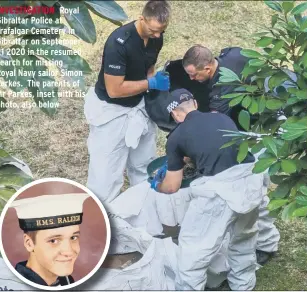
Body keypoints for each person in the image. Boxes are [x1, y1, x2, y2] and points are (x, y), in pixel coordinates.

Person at [151, 88, 264, 290]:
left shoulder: (177, 137)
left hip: (220, 192)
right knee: (243, 238)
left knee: (194, 249)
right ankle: (243, 285)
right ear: (194, 104)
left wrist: (157, 184)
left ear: (176, 114)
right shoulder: (221, 118)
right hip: (251, 182)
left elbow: (172, 187)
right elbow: (211, 144)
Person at [181, 45, 280, 264]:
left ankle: (267, 244)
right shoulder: (231, 55)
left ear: (207, 68)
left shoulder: (221, 92)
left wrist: (187, 151)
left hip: (261, 132)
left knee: (255, 190)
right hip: (260, 117)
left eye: (194, 74)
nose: (192, 78)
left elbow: (214, 127)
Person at [84, 0, 171, 203]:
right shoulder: (118, 43)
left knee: (144, 164)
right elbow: (114, 90)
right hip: (112, 110)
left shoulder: (157, 37)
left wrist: (154, 86)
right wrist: (150, 83)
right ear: (141, 19)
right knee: (105, 175)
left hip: (139, 106)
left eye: (162, 31)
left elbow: (150, 65)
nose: (158, 35)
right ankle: (103, 219)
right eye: (153, 30)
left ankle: (143, 207)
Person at [9, 193, 90, 287]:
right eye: (53, 241)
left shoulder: (67, 281)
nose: (69, 252)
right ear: (29, 244)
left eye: (73, 238)